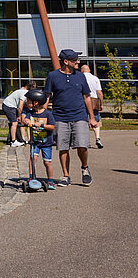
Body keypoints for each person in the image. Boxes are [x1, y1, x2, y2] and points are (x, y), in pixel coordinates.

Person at [45, 49, 97, 186]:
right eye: (75, 60)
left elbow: (87, 96)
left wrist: (92, 117)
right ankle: (66, 175)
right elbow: (47, 96)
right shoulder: (52, 76)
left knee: (82, 145)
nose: (78, 62)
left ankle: (85, 168)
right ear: (66, 62)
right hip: (60, 117)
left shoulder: (81, 76)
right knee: (63, 148)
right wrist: (42, 114)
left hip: (79, 115)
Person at [20, 88, 58, 189]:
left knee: (47, 162)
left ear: (36, 102)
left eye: (29, 101)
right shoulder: (31, 113)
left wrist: (42, 125)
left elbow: (52, 126)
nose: (27, 103)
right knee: (33, 159)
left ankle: (50, 180)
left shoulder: (47, 114)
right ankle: (31, 177)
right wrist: (26, 121)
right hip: (35, 142)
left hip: (46, 142)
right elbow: (25, 119)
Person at [2, 81, 34, 147]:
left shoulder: (22, 90)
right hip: (9, 106)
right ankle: (13, 141)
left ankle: (16, 138)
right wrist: (19, 115)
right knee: (14, 123)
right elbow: (20, 106)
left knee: (16, 123)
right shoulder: (24, 93)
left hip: (10, 106)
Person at [80, 64, 104, 149]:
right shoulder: (95, 78)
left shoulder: (80, 77)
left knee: (83, 121)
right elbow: (99, 92)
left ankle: (86, 141)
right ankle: (97, 138)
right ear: (89, 70)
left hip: (82, 100)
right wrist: (101, 103)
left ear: (82, 71)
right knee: (95, 120)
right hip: (94, 101)